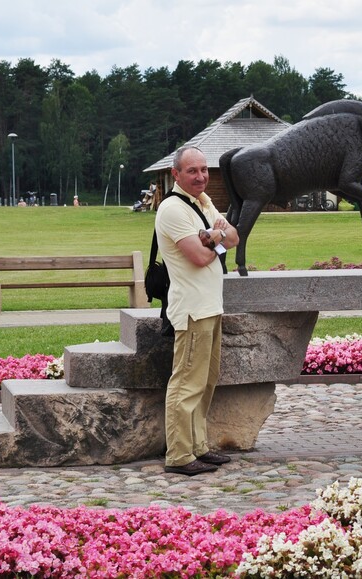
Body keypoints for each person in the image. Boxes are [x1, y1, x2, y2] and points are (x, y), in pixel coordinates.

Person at [155, 145, 239, 476]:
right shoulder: (173, 209)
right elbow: (201, 257)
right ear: (175, 174)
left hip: (210, 307)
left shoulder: (202, 202)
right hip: (191, 310)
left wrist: (214, 236)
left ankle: (198, 447)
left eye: (204, 170)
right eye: (192, 171)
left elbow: (233, 236)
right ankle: (179, 454)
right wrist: (217, 239)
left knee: (206, 382)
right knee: (186, 383)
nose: (201, 176)